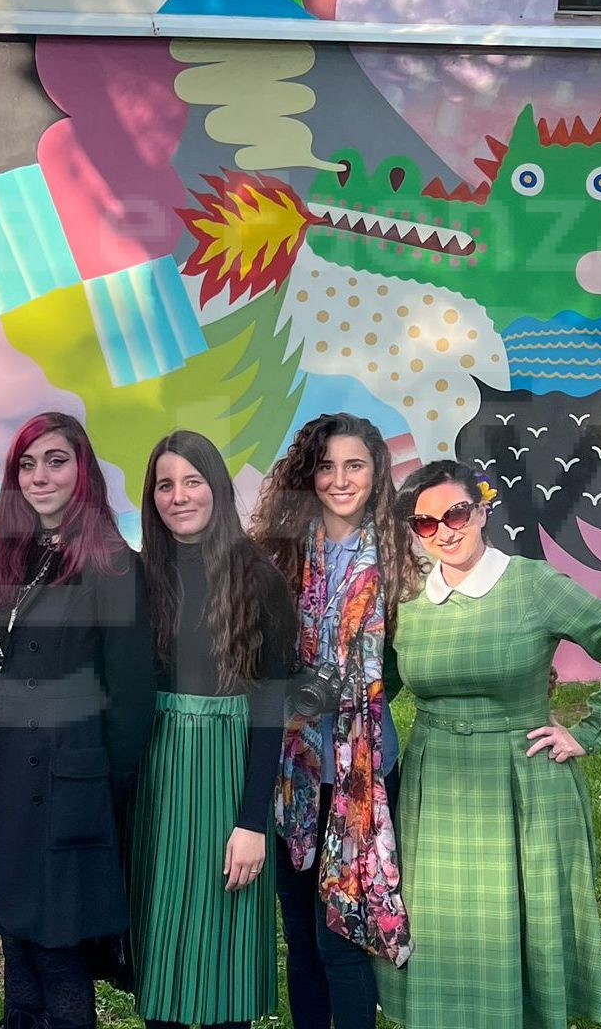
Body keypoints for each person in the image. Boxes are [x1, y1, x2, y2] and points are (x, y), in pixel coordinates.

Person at [378, 460, 601, 1029]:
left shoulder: (533, 585)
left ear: (482, 511)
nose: (443, 532)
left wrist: (588, 731)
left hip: (521, 779)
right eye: (425, 523)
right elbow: (377, 684)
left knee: (519, 921)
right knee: (440, 923)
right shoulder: (407, 599)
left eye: (455, 514)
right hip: (435, 784)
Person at [0, 411, 156, 1029]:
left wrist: (104, 792)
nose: (39, 476)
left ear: (83, 470)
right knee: (19, 939)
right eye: (27, 464)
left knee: (58, 947)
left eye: (56, 461)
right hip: (11, 777)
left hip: (73, 785)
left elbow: (131, 695)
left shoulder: (113, 562)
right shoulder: (19, 557)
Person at [248, 413, 417, 1029]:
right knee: (300, 933)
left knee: (340, 934)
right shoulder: (280, 554)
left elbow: (409, 660)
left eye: (354, 465)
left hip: (363, 768)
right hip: (293, 769)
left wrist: (355, 686)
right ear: (308, 475)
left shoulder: (402, 555)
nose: (340, 479)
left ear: (377, 472)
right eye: (326, 466)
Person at [129, 430, 296, 1029]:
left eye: (191, 481)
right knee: (162, 944)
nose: (178, 496)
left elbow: (271, 709)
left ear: (217, 488)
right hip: (156, 776)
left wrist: (252, 822)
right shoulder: (138, 576)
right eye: (164, 485)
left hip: (229, 772)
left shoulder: (259, 578)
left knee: (225, 943)